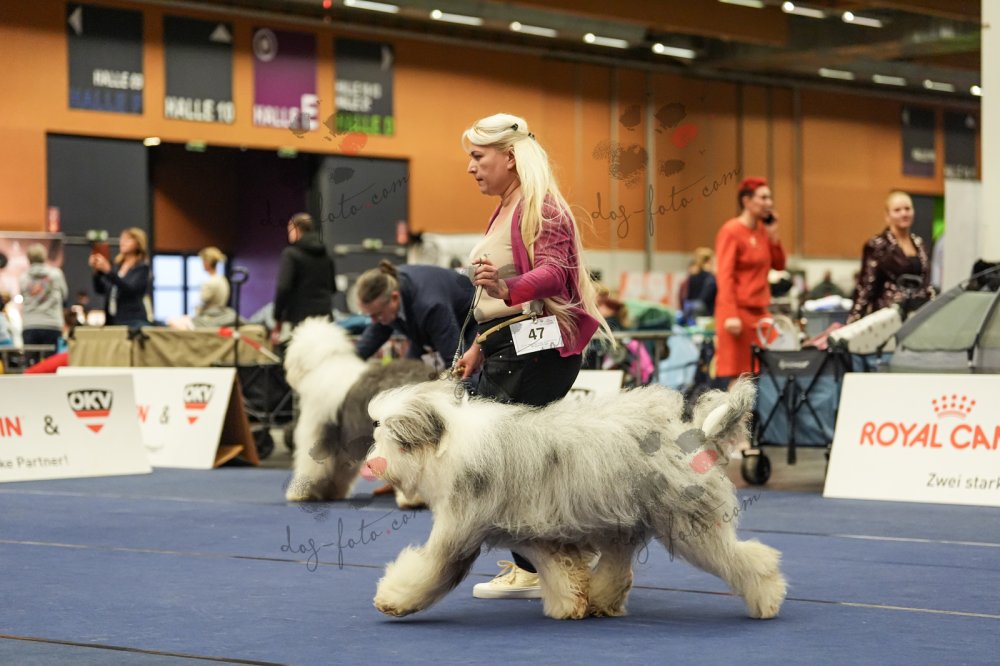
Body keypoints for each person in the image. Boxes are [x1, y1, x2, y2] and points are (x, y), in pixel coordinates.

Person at [456, 112, 613, 600]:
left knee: (508, 464)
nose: (471, 167)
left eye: (477, 157)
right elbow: (499, 299)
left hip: (535, 351)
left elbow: (554, 274)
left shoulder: (541, 206)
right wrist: (480, 346)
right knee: (517, 463)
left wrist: (508, 288)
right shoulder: (510, 206)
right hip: (511, 348)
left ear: (508, 157)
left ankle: (538, 565)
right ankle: (547, 560)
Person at [714, 176, 787, 386]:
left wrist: (774, 236)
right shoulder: (731, 231)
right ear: (746, 201)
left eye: (769, 197)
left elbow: (779, 265)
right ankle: (736, 410)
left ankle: (762, 409)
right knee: (739, 377)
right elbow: (725, 275)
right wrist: (730, 315)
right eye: (763, 198)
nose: (769, 203)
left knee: (771, 367)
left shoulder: (763, 231)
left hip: (761, 313)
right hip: (737, 313)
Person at [354, 260, 476, 370]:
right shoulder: (389, 286)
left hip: (471, 322)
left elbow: (455, 360)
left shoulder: (431, 306)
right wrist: (352, 362)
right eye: (369, 315)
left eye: (377, 315)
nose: (374, 321)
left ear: (394, 298)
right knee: (405, 376)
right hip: (424, 329)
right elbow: (376, 333)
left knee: (467, 372)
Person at [847, 190, 934, 323]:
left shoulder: (919, 243)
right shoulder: (876, 245)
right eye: (897, 210)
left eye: (907, 209)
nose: (904, 213)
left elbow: (926, 283)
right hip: (888, 317)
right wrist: (852, 323)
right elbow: (865, 288)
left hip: (918, 316)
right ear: (887, 216)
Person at [271, 212, 337, 346]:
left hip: (300, 321)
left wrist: (278, 319)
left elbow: (283, 288)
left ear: (296, 229)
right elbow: (332, 288)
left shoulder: (291, 254)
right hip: (325, 318)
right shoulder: (326, 255)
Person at [88, 227, 152, 327]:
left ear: (138, 243)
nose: (123, 242)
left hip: (132, 320)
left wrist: (109, 272)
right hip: (113, 320)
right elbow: (101, 290)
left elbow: (130, 289)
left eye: (128, 239)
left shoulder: (142, 268)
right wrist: (97, 272)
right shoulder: (117, 266)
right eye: (122, 239)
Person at [19, 243, 68, 347]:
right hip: (52, 324)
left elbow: (22, 296)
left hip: (30, 324)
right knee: (52, 357)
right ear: (44, 257)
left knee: (31, 357)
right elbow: (64, 295)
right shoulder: (56, 274)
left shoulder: (23, 277)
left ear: (29, 258)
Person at [677, 246, 717, 320]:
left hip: (690, 307)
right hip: (704, 310)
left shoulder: (692, 276)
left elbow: (687, 295)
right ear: (708, 261)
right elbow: (706, 297)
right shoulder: (710, 277)